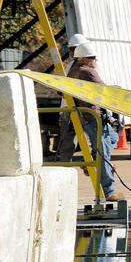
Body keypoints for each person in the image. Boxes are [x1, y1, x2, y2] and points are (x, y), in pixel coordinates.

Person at [69, 39, 123, 202]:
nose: (95, 60)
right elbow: (103, 89)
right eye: (92, 57)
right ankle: (109, 191)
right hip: (93, 116)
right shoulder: (87, 71)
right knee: (103, 152)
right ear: (85, 59)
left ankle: (91, 161)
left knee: (112, 138)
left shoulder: (73, 70)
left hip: (87, 115)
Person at [57, 33, 87, 164]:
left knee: (90, 139)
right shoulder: (70, 65)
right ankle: (65, 164)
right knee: (67, 140)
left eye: (75, 48)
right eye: (72, 49)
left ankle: (92, 164)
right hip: (68, 108)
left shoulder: (89, 66)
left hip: (84, 108)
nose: (73, 52)